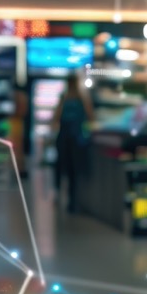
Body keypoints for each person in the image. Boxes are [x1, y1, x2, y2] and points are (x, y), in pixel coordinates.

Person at [53, 73, 94, 210]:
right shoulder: (82, 98)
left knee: (61, 167)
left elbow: (56, 117)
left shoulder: (64, 98)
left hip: (64, 137)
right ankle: (72, 200)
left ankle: (58, 193)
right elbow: (90, 116)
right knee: (73, 170)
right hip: (76, 138)